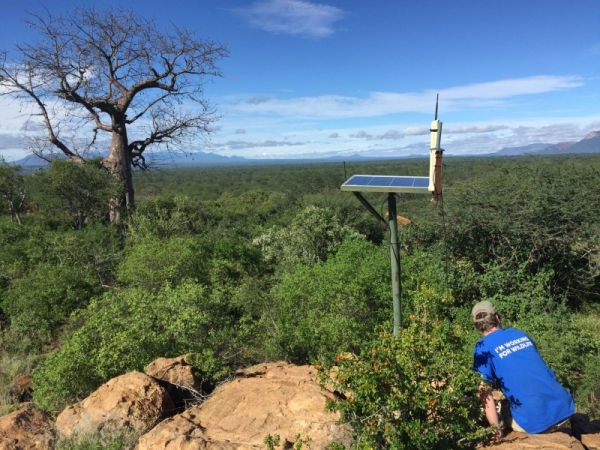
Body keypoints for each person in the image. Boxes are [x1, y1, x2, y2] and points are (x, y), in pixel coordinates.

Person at [472, 300, 574, 439]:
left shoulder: (482, 347)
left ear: (477, 326)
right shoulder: (519, 334)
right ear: (497, 317)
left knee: (497, 406)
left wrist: (495, 429)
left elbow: (484, 389)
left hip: (536, 423)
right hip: (564, 409)